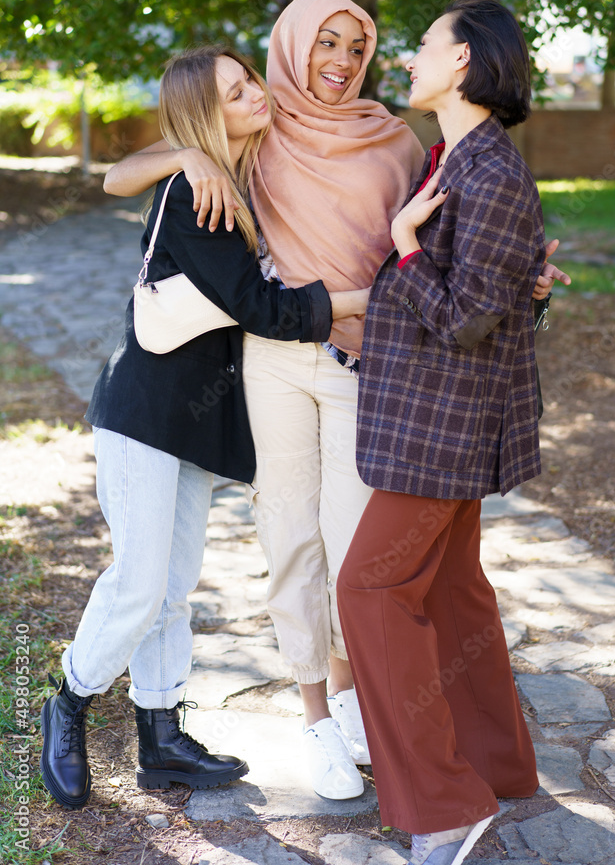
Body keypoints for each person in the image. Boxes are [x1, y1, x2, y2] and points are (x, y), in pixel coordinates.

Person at [103, 0, 567, 802]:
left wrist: (525, 288)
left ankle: (354, 703)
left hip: (370, 364)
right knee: (289, 537)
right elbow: (120, 173)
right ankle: (314, 717)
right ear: (291, 47)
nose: (343, 60)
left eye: (358, 44)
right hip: (274, 359)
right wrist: (193, 158)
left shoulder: (398, 139)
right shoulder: (258, 125)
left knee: (357, 552)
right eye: (326, 42)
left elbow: (455, 255)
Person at [39, 45, 369, 810]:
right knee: (140, 580)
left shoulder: (241, 171)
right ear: (205, 114)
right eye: (232, 92)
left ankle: (160, 736)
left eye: (249, 79)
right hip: (144, 413)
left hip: (194, 423)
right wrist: (368, 299)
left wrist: (195, 148)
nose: (253, 92)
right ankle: (68, 699)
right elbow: (265, 312)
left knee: (173, 587)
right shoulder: (198, 194)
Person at [337, 0, 547, 865]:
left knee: (371, 592)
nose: (409, 58)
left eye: (423, 45)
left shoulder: (488, 170)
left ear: (463, 60)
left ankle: (442, 803)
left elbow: (465, 319)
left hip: (445, 429)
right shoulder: (451, 158)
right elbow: (504, 298)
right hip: (436, 419)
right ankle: (494, 768)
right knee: (453, 591)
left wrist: (405, 245)